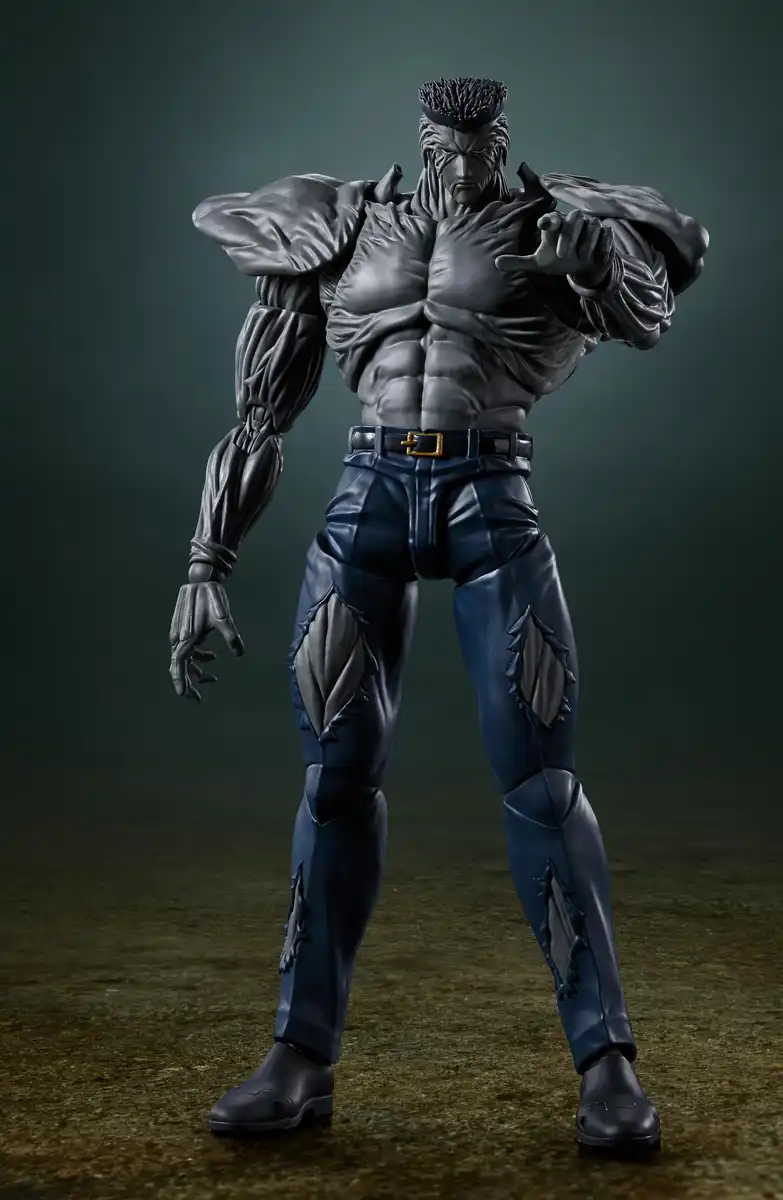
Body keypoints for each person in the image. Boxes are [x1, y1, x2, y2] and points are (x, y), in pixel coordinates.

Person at [168, 76, 708, 1154]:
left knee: (542, 785)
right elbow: (261, 407)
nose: (460, 162)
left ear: (501, 140)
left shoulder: (556, 223)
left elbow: (648, 313)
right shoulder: (342, 227)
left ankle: (607, 1066)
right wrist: (205, 559)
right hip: (366, 496)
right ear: (421, 138)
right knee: (334, 779)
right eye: (444, 142)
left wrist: (591, 265)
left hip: (489, 495)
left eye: (480, 144)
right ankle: (298, 1058)